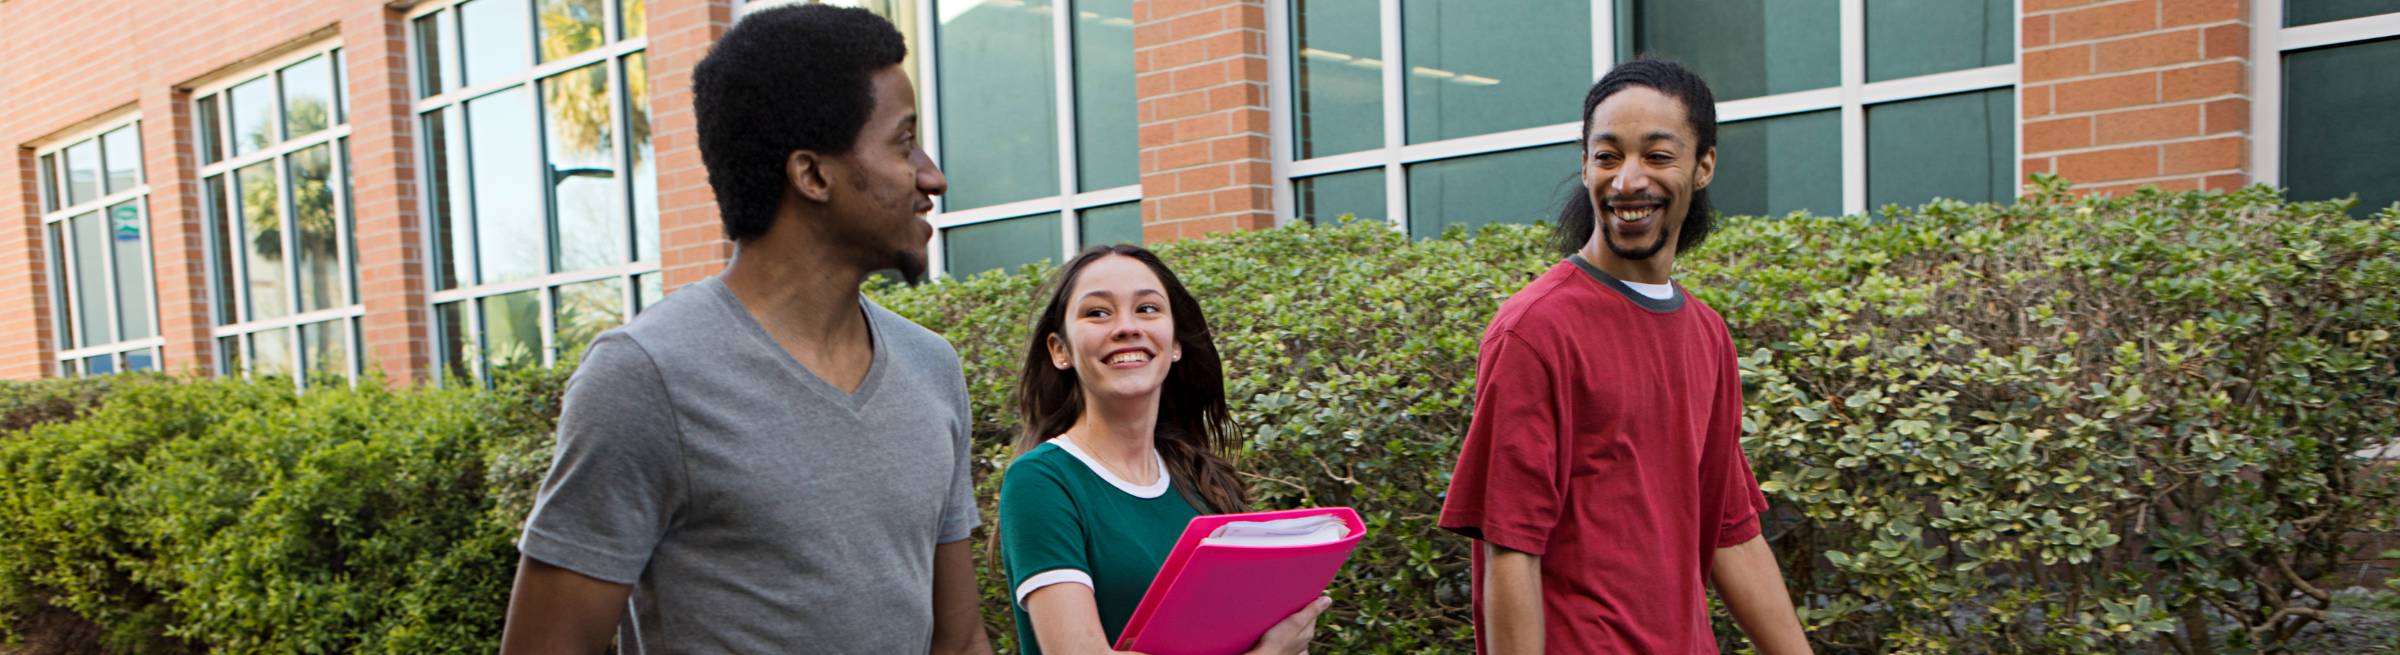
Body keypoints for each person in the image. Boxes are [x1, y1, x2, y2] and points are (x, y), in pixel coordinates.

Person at [497, 6, 991, 654]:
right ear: (812, 174)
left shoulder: (932, 368)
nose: (933, 176)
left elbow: (958, 642)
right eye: (904, 142)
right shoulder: (646, 377)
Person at [1436, 59, 1811, 654]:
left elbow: (1730, 533)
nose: (1627, 181)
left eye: (1657, 156)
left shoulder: (1707, 335)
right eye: (1607, 156)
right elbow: (1510, 549)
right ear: (1584, 164)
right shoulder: (1535, 331)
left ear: (1703, 165)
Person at [996, 245, 1331, 655]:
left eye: (1148, 309)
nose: (1127, 327)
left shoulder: (1203, 481)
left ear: (1175, 344)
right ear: (1059, 350)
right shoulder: (1042, 481)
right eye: (1098, 312)